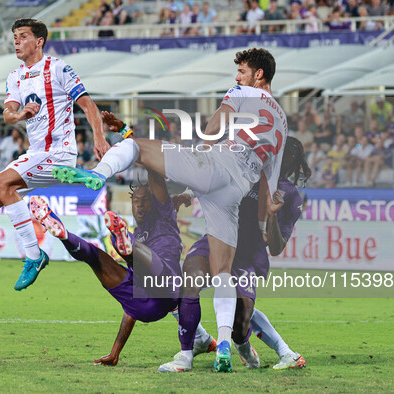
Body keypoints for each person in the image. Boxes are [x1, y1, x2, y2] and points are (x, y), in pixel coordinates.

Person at [53, 48, 286, 372]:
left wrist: (203, 149)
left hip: (218, 166)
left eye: (242, 70)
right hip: (235, 192)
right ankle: (222, 351)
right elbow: (267, 180)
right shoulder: (282, 121)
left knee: (138, 148)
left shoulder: (244, 92)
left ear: (258, 74)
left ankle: (97, 174)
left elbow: (221, 117)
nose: (237, 76)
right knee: (222, 273)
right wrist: (263, 220)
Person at [0, 18, 108, 298]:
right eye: (15, 37)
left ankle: (34, 255)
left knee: (2, 184)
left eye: (23, 36)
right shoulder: (15, 76)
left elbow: (87, 104)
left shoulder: (58, 68)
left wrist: (99, 137)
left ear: (39, 41)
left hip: (58, 152)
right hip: (36, 154)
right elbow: (8, 112)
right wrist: (19, 114)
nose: (17, 41)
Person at [159, 137, 310, 372]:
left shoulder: (288, 195)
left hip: (247, 256)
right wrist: (188, 195)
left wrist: (271, 216)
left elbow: (277, 247)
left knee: (240, 326)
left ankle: (245, 345)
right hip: (216, 240)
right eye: (277, 154)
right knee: (190, 279)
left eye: (286, 158)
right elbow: (211, 176)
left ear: (291, 162)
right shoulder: (246, 170)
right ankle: (186, 355)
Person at [29, 178, 216, 367]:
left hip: (162, 289)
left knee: (127, 259)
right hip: (146, 302)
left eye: (145, 200)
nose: (139, 205)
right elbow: (130, 312)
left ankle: (125, 251)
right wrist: (114, 353)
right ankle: (65, 235)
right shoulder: (141, 234)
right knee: (97, 258)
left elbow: (163, 177)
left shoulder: (164, 217)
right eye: (136, 201)